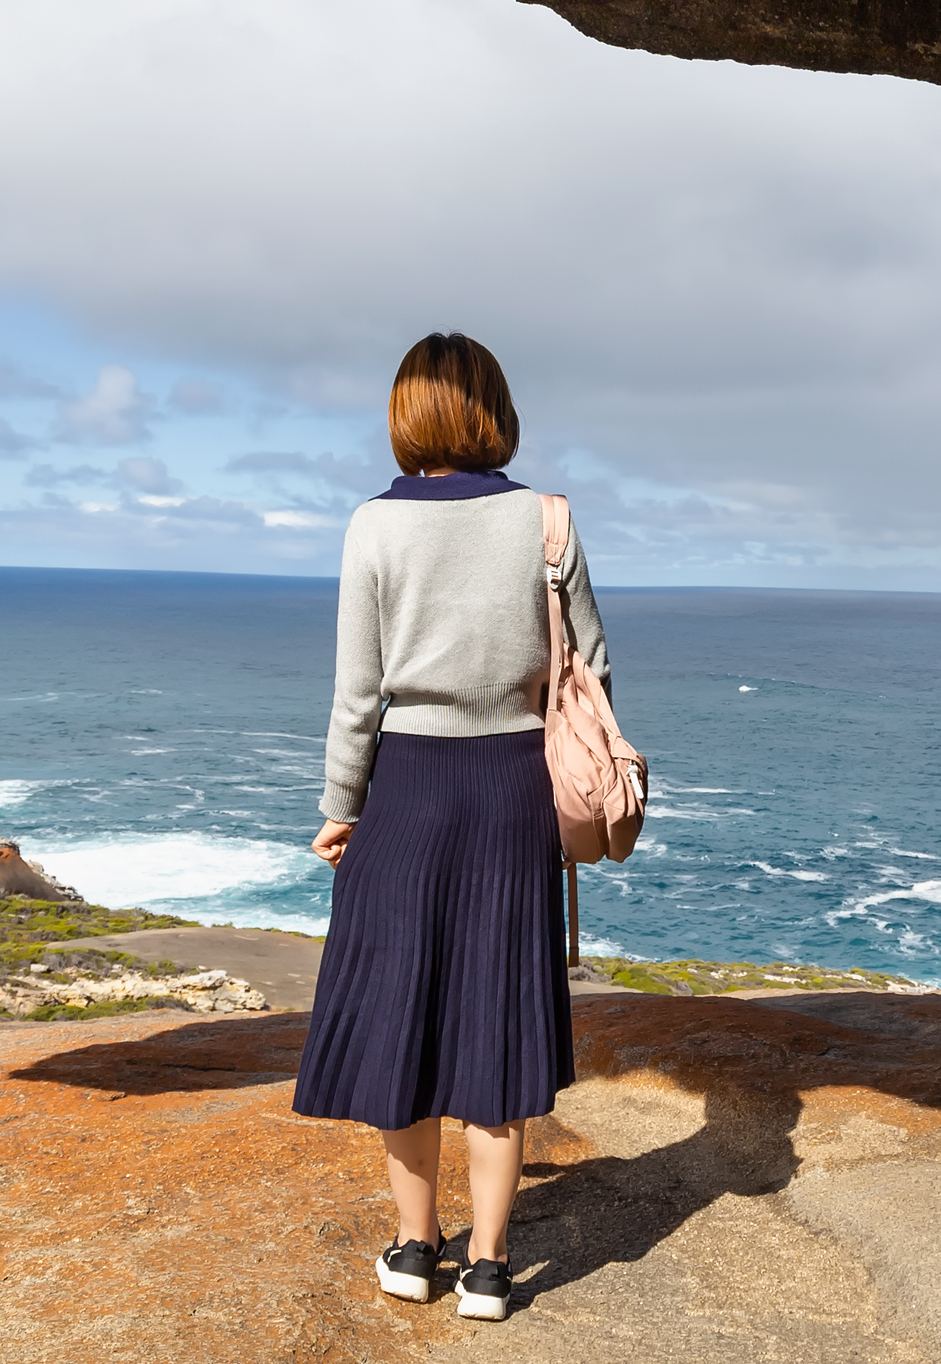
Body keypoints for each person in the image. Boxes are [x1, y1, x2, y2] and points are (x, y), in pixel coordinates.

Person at [292, 332, 610, 1322]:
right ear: (493, 411)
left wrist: (340, 809)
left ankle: (410, 1245)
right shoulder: (545, 520)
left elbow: (355, 695)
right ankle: (488, 1264)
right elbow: (589, 671)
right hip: (514, 786)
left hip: (408, 789)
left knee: (400, 1018)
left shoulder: (370, 526)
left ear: (406, 416)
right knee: (495, 1019)